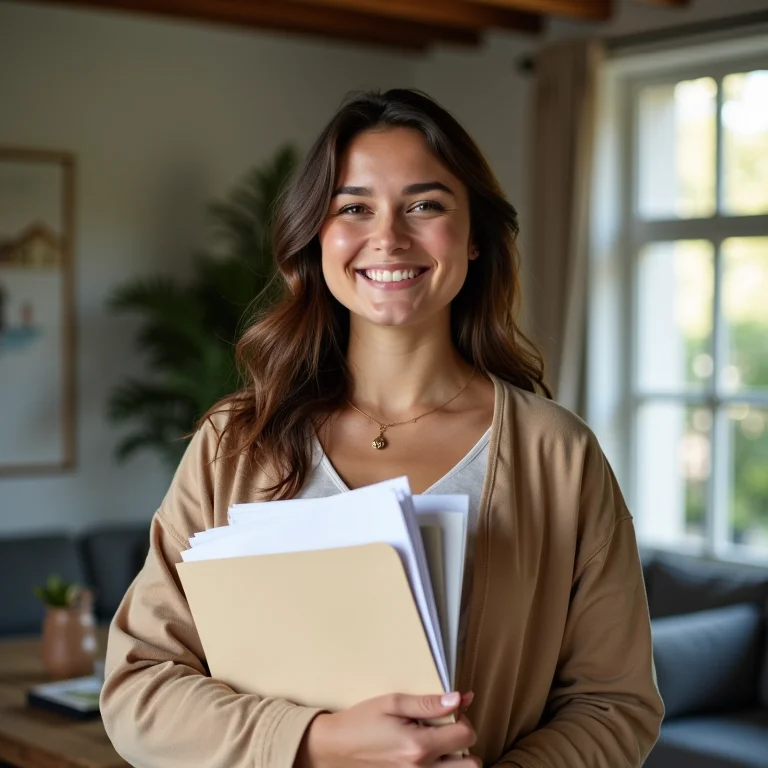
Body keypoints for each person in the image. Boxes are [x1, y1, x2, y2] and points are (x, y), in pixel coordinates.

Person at [101, 88, 663, 767]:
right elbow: (138, 688)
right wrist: (318, 741)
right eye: (354, 208)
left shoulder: (559, 455)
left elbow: (614, 704)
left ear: (475, 238)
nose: (389, 237)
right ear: (317, 235)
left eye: (425, 206)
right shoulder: (236, 443)